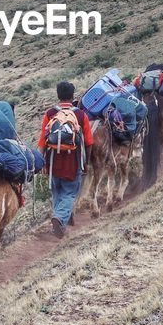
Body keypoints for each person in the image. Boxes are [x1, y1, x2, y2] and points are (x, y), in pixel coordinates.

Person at [37, 81, 93, 239]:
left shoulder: (50, 113)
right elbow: (89, 142)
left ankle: (59, 222)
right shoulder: (81, 115)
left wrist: (42, 162)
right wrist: (86, 162)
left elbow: (42, 141)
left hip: (53, 160)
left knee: (57, 191)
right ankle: (59, 219)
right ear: (72, 95)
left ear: (58, 95)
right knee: (69, 193)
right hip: (73, 161)